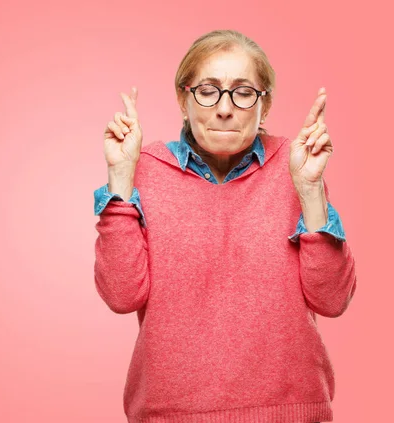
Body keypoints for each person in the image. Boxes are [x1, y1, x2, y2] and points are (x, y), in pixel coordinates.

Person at [92, 29, 357, 423]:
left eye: (243, 91)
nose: (224, 107)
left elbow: (332, 300)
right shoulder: (144, 169)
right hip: (171, 413)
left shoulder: (295, 165)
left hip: (291, 412)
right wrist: (120, 178)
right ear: (184, 100)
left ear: (263, 106)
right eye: (208, 90)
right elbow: (121, 295)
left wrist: (311, 189)